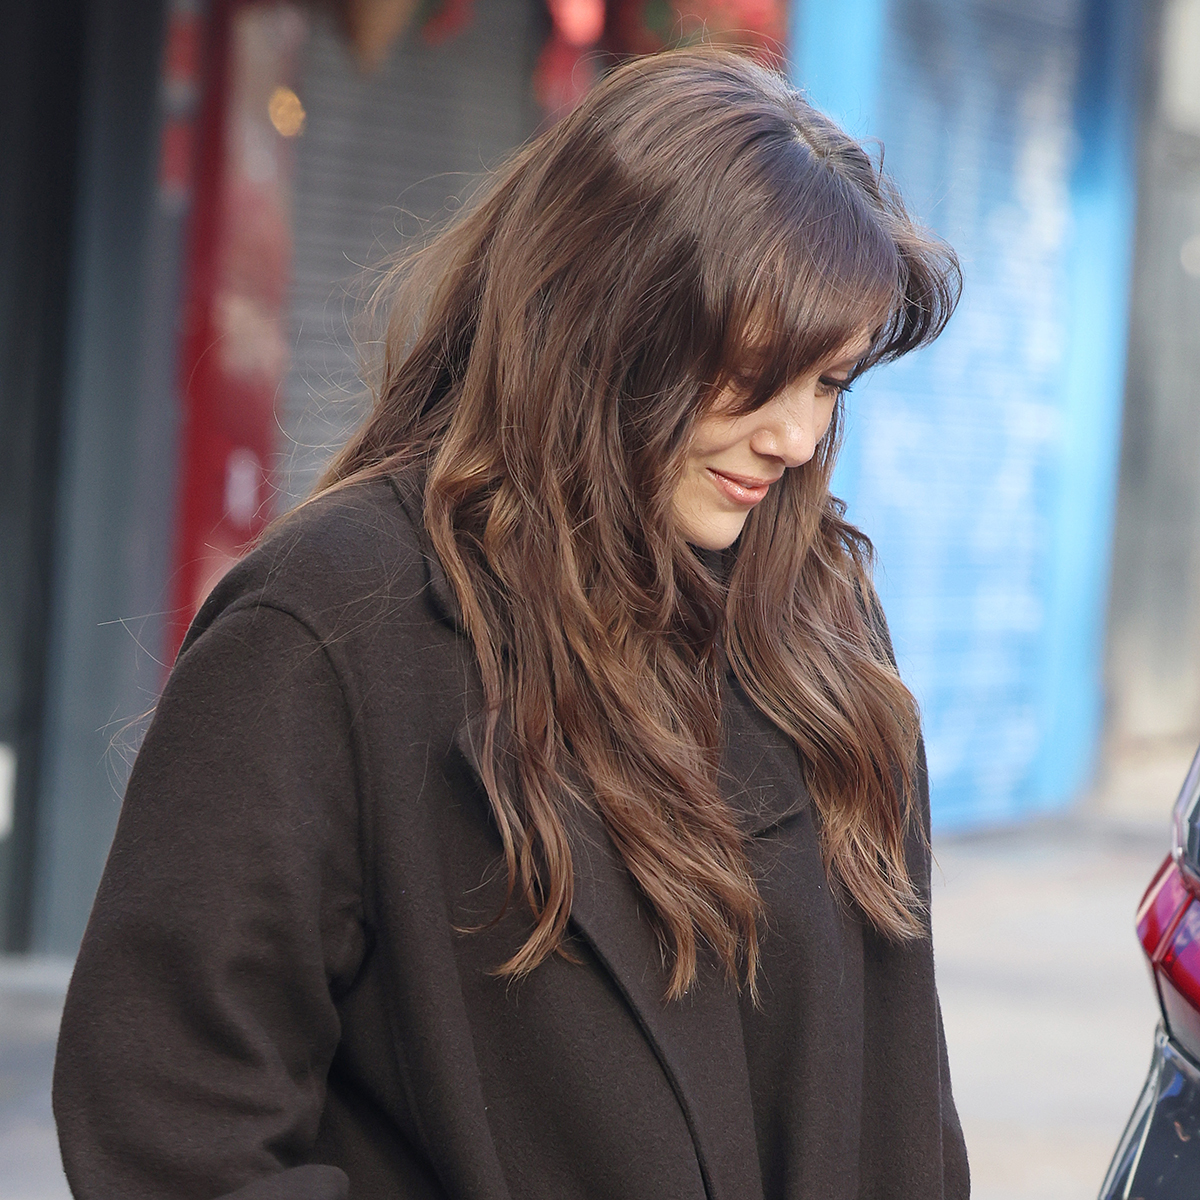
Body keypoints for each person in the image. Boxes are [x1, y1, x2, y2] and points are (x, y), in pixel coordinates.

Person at [53, 47, 967, 1200]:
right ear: (614, 320)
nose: (794, 437)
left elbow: (904, 1110)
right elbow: (172, 1120)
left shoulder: (822, 625)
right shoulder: (337, 616)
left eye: (829, 384)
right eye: (753, 372)